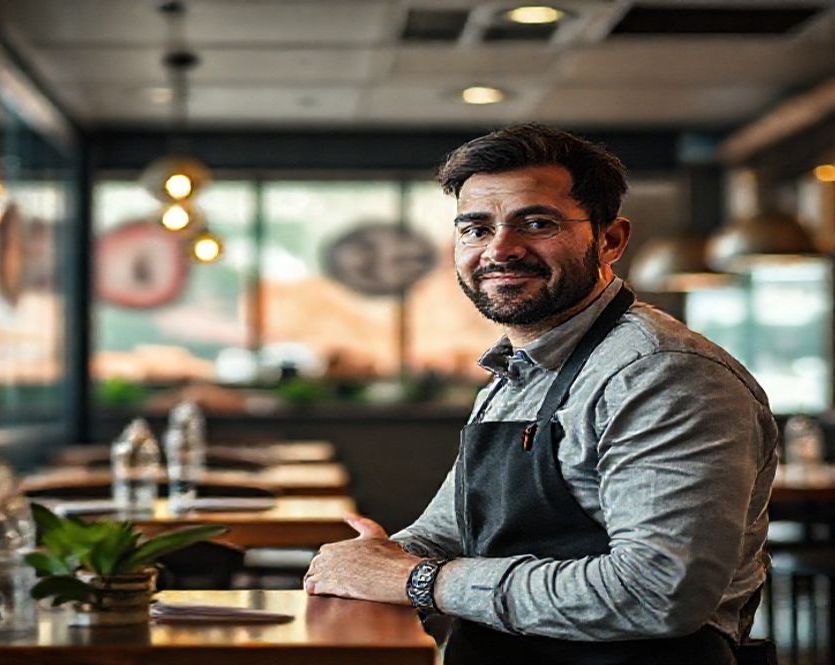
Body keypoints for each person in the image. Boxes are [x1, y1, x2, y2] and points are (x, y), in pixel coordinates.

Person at [303, 124, 779, 665]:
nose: (500, 249)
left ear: (611, 240)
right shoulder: (517, 369)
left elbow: (656, 593)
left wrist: (417, 579)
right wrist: (370, 560)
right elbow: (450, 530)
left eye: (536, 223)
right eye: (475, 229)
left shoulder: (664, 374)